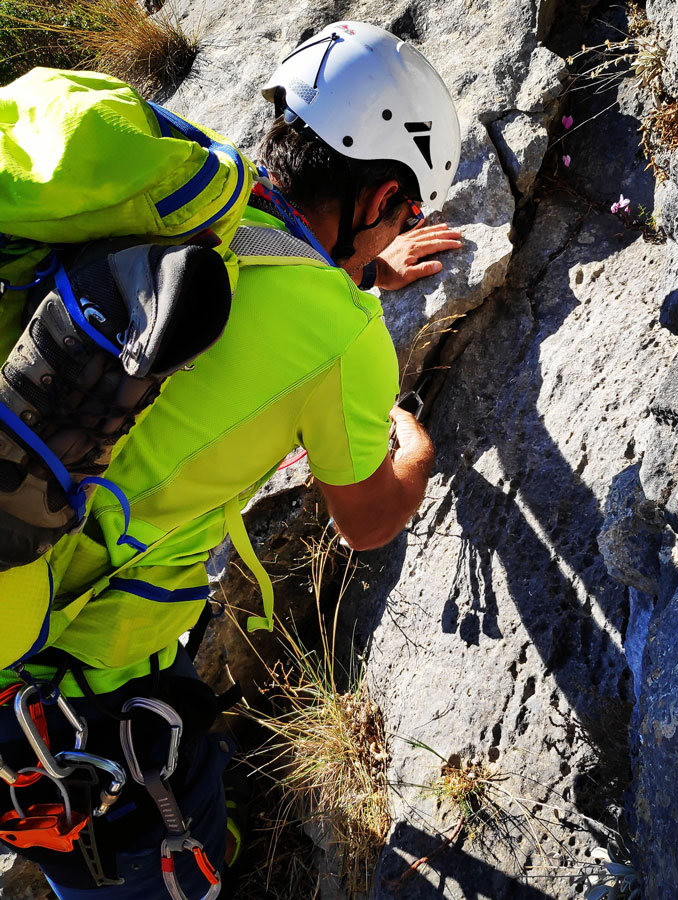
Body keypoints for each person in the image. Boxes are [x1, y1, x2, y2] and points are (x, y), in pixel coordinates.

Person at [0, 20, 462, 899]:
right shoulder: (346, 341)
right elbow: (366, 522)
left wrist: (357, 270)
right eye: (404, 210)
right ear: (379, 201)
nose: (402, 229)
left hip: (16, 591)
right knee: (157, 858)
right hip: (80, 673)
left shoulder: (182, 197)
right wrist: (416, 447)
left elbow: (260, 281)